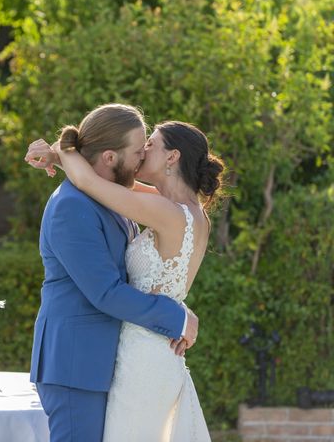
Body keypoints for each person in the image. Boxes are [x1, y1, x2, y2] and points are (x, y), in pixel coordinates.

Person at [26, 107, 223, 441]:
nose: (143, 154)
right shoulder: (73, 204)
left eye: (149, 147)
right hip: (78, 363)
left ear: (172, 157)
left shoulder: (143, 203)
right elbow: (106, 292)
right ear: (109, 157)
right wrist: (174, 314)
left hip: (129, 358)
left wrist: (62, 153)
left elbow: (90, 178)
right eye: (137, 150)